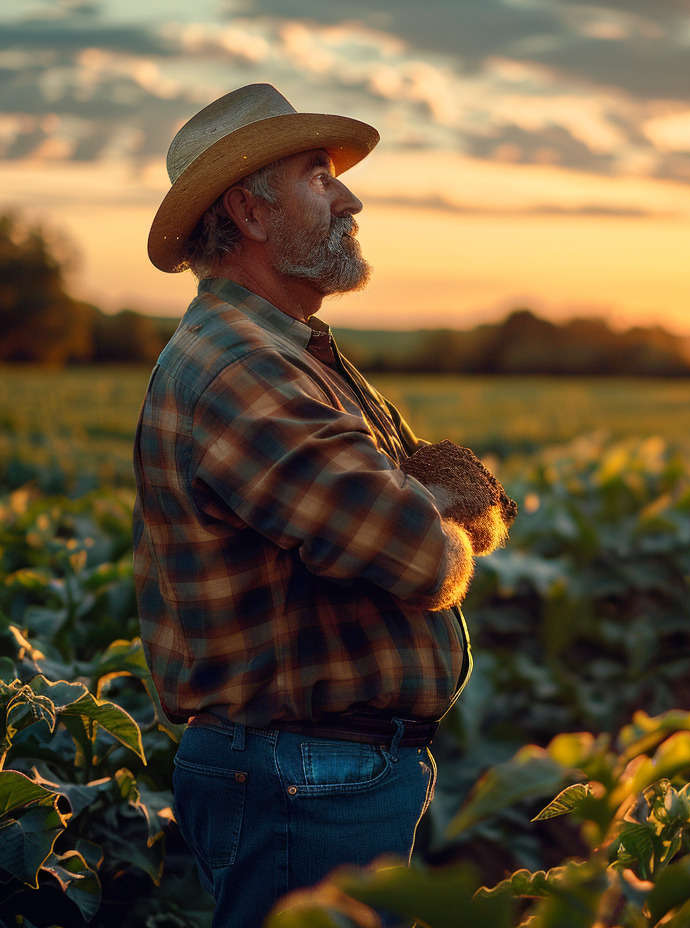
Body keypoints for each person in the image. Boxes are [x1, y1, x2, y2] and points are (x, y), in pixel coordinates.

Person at [133, 83, 515, 927]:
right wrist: (441, 502)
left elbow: (423, 493)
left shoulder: (291, 349)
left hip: (319, 774)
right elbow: (422, 550)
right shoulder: (240, 367)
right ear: (251, 212)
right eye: (318, 176)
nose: (350, 196)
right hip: (299, 779)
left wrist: (427, 495)